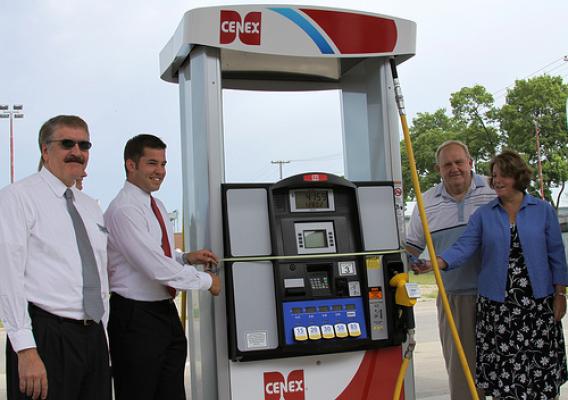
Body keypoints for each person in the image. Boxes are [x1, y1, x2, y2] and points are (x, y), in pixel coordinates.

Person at [417, 150, 568, 399]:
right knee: (503, 375)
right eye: (494, 176)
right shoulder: (484, 215)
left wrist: (560, 293)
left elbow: (556, 256)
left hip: (537, 306)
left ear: (518, 177)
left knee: (538, 373)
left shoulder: (542, 210)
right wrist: (439, 262)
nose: (496, 181)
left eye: (503, 176)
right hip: (498, 309)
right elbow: (464, 246)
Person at [0, 115, 111, 400]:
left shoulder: (90, 207)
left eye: (84, 145)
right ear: (45, 150)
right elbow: (7, 274)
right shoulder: (17, 197)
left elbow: (99, 275)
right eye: (67, 143)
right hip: (46, 336)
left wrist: (104, 340)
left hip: (93, 336)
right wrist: (25, 349)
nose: (77, 151)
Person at [104, 134, 221, 400]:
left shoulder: (155, 205)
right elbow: (155, 267)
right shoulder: (124, 210)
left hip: (162, 314)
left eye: (163, 164)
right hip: (136, 317)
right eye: (152, 163)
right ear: (130, 165)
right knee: (139, 392)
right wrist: (207, 282)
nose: (160, 171)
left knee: (171, 392)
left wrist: (186, 258)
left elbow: (157, 257)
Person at [406, 140, 495, 399]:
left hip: (499, 296)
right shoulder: (426, 202)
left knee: (504, 368)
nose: (454, 168)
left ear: (470, 162)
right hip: (454, 297)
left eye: (459, 162)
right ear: (438, 169)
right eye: (447, 164)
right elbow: (412, 247)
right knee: (462, 371)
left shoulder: (494, 189)